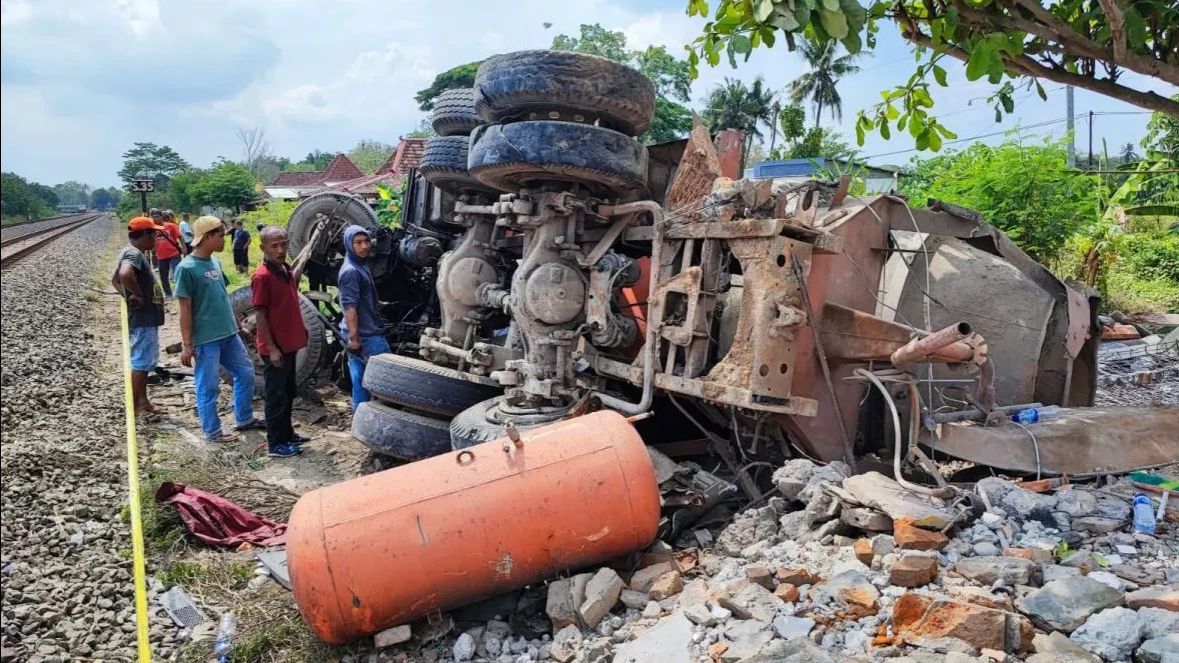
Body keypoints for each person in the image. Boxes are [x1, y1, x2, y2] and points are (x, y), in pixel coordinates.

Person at [174, 216, 265, 443]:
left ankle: (243, 419)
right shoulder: (186, 268)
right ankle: (212, 432)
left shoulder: (214, 263)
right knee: (208, 386)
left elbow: (222, 298)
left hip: (228, 335)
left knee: (245, 373)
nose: (224, 239)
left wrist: (236, 326)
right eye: (220, 235)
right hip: (206, 340)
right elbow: (184, 309)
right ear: (206, 237)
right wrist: (187, 344)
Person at [251, 226, 312, 458]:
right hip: (275, 348)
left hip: (289, 344)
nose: (280, 250)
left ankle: (287, 434)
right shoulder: (262, 276)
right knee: (275, 396)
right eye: (274, 246)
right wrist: (272, 348)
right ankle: (275, 444)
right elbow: (261, 315)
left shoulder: (285, 269)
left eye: (283, 244)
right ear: (263, 248)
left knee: (288, 391)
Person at [112, 216, 167, 416]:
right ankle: (136, 406)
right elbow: (125, 275)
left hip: (145, 318)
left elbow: (115, 280)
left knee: (143, 361)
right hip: (143, 319)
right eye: (154, 234)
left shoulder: (132, 252)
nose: (156, 239)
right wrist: (137, 294)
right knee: (141, 362)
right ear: (144, 234)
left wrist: (128, 296)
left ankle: (143, 402)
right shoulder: (134, 253)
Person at [338, 225, 390, 410]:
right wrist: (354, 339)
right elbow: (349, 307)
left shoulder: (360, 265)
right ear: (349, 245)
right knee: (385, 375)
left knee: (360, 377)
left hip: (362, 332)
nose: (364, 246)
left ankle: (360, 413)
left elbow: (361, 299)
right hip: (365, 335)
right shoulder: (351, 271)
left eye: (366, 241)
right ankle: (371, 415)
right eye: (358, 243)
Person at [154, 209, 186, 298]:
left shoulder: (170, 226)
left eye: (157, 217)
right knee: (163, 276)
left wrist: (184, 248)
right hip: (161, 255)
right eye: (153, 217)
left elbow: (180, 237)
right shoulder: (152, 228)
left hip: (174, 254)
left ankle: (180, 292)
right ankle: (168, 293)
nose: (155, 219)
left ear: (161, 217)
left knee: (177, 273)